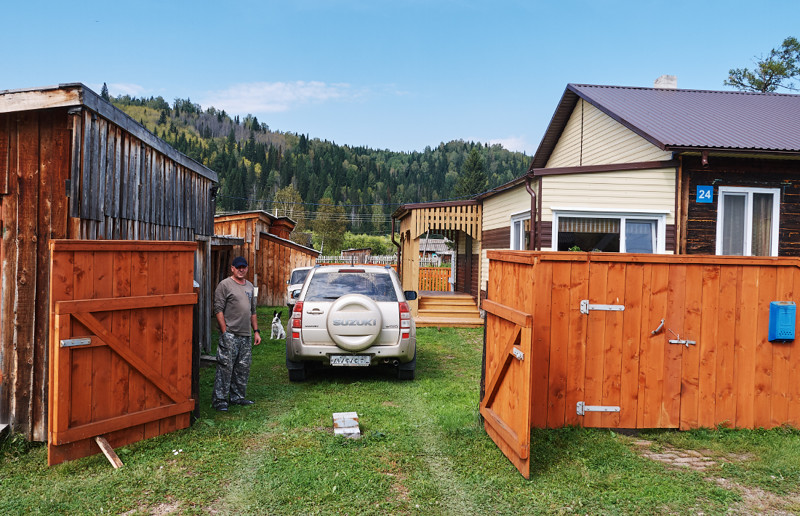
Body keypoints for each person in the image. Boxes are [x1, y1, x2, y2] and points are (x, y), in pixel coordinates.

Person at [212, 256, 262, 411]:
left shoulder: (249, 286)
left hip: (246, 335)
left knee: (242, 368)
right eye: (238, 267)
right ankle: (220, 400)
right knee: (225, 367)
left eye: (244, 267)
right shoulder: (225, 285)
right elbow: (218, 309)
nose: (241, 270)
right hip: (231, 334)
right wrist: (225, 331)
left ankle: (237, 397)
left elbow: (252, 311)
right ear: (232, 268)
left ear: (247, 268)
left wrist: (256, 331)